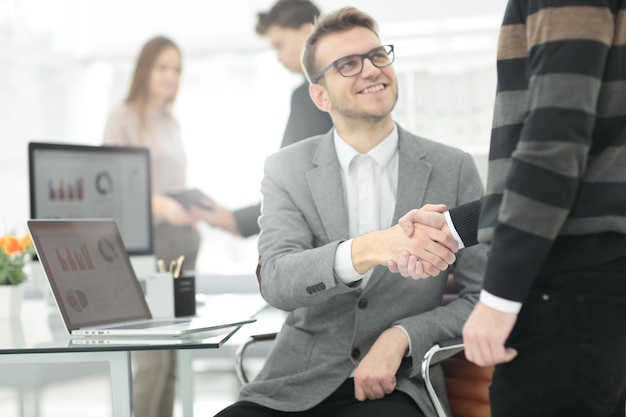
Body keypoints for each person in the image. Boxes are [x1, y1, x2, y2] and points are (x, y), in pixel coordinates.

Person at [214, 7, 487, 417]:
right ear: (320, 95)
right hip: (294, 384)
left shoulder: (454, 167)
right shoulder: (286, 168)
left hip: (397, 385)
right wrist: (373, 247)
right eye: (348, 64)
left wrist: (402, 336)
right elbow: (276, 280)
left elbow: (480, 295)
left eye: (378, 55)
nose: (372, 69)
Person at [393, 1, 626, 416]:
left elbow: (555, 143)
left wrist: (499, 297)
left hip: (566, 292)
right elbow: (596, 167)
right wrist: (455, 226)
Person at [103, 36, 201, 417]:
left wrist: (188, 206)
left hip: (181, 246)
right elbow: (113, 193)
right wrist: (162, 205)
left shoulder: (170, 121)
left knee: (174, 358)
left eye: (176, 69)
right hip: (147, 248)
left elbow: (172, 183)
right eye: (162, 67)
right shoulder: (124, 118)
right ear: (144, 70)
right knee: (153, 360)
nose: (170, 77)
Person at [199, 0, 333, 237]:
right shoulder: (328, 93)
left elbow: (295, 184)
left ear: (307, 32)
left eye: (279, 45)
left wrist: (238, 220)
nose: (278, 57)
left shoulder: (310, 97)